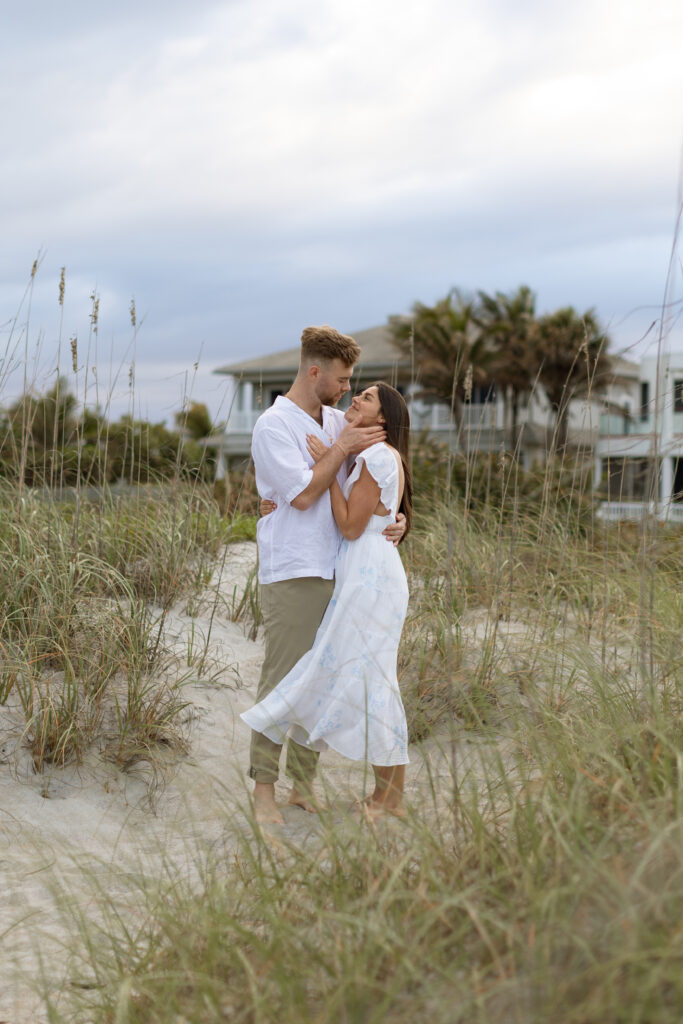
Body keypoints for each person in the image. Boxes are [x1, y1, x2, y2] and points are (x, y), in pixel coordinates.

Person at [247, 326, 406, 825]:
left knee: (320, 682)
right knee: (282, 681)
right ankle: (264, 792)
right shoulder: (274, 426)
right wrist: (337, 453)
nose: (345, 389)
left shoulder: (340, 419)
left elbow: (389, 469)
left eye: (350, 383)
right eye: (341, 380)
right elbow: (301, 496)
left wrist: (399, 521)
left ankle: (303, 786)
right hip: (295, 569)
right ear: (315, 372)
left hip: (343, 571)